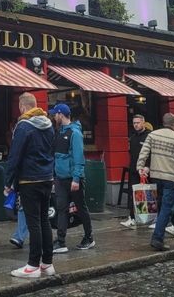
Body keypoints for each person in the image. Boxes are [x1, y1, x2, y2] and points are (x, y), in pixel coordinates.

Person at [4, 92, 55, 279]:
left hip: (29, 179)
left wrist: (8, 182)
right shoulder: (49, 125)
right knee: (44, 220)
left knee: (33, 223)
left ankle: (33, 265)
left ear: (23, 107)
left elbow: (15, 155)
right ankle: (47, 263)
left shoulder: (23, 126)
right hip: (47, 177)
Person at [137, 112, 174, 251]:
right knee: (166, 208)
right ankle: (157, 238)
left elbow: (144, 152)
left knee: (169, 208)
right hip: (171, 178)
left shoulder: (152, 135)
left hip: (156, 176)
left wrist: (140, 167)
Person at [50, 103, 95, 252]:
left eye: (55, 114)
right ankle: (61, 241)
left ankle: (89, 237)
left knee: (81, 209)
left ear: (60, 114)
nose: (53, 116)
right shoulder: (59, 132)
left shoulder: (75, 133)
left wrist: (76, 178)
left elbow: (78, 158)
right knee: (61, 209)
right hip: (60, 178)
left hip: (73, 179)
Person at [121, 114, 150, 228]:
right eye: (134, 123)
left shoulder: (149, 136)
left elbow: (151, 154)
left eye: (138, 122)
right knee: (133, 194)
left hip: (145, 170)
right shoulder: (132, 137)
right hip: (133, 169)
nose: (136, 125)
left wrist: (147, 167)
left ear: (143, 122)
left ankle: (148, 217)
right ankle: (133, 217)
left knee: (147, 194)